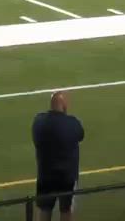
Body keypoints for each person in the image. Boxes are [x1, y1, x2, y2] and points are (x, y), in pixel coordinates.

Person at [32, 91, 84, 221]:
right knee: (66, 210)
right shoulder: (72, 123)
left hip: (45, 175)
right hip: (67, 176)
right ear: (64, 105)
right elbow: (80, 135)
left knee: (44, 209)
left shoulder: (38, 121)